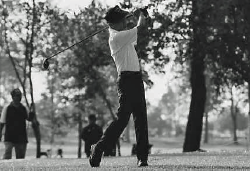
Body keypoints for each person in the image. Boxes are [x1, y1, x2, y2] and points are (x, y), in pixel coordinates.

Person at [89, 5, 149, 167]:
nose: (126, 22)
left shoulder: (122, 34)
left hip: (136, 79)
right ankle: (99, 147)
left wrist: (133, 15)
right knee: (122, 120)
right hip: (127, 80)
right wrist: (142, 14)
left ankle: (142, 157)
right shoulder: (116, 37)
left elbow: (133, 27)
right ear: (114, 24)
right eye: (122, 20)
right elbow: (140, 28)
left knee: (141, 118)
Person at [0, 88, 33, 159]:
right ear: (13, 97)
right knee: (7, 156)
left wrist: (32, 113)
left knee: (20, 158)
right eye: (17, 95)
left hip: (21, 136)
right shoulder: (7, 108)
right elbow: (2, 123)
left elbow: (29, 119)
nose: (19, 97)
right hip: (9, 136)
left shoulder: (24, 108)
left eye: (20, 95)